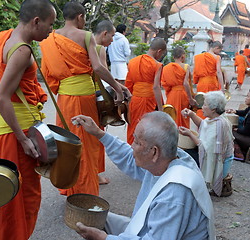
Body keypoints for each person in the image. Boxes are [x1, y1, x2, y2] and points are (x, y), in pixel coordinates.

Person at [72, 112, 215, 240]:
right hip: (155, 230)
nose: (132, 146)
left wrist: (104, 239)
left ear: (153, 152)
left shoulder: (174, 194)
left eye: (136, 141)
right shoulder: (168, 158)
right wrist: (98, 133)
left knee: (99, 227)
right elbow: (129, 157)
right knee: (96, 217)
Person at [0, 1, 56, 239]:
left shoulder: (2, 38)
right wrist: (23, 139)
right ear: (36, 21)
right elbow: (2, 98)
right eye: (50, 24)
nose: (50, 31)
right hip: (14, 132)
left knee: (2, 195)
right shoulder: (22, 50)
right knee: (21, 198)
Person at [40, 1, 126, 197]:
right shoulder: (85, 35)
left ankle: (69, 186)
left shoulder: (49, 39)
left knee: (66, 141)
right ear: (80, 17)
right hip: (84, 97)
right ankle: (84, 192)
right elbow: (97, 68)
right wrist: (117, 88)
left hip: (64, 98)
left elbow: (47, 72)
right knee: (85, 143)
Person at [179, 91, 234, 196]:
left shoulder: (219, 125)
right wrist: (191, 114)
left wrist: (190, 134)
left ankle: (193, 184)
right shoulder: (216, 118)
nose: (202, 107)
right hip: (212, 155)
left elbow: (206, 150)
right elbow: (203, 124)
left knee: (184, 155)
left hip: (219, 164)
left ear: (213, 109)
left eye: (205, 105)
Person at [125, 38, 166, 144]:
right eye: (162, 55)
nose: (160, 57)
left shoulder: (132, 62)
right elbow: (156, 87)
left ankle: (131, 152)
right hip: (148, 100)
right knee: (146, 129)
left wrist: (128, 101)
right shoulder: (157, 65)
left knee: (134, 126)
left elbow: (128, 84)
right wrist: (161, 108)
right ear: (159, 51)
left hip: (134, 100)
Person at [94, 20, 117, 185]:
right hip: (97, 95)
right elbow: (103, 72)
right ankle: (95, 174)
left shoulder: (80, 45)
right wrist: (118, 88)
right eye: (112, 36)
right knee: (96, 134)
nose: (112, 40)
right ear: (104, 33)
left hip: (81, 92)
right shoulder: (100, 49)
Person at [161, 46, 196, 128]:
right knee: (183, 116)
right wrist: (190, 98)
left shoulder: (166, 68)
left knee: (172, 116)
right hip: (183, 95)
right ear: (183, 56)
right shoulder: (185, 66)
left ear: (173, 57)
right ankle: (183, 137)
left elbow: (164, 84)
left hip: (172, 95)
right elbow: (186, 84)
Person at [193, 40, 224, 119]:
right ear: (216, 48)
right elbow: (219, 72)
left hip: (201, 83)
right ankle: (209, 121)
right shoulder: (217, 57)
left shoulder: (198, 57)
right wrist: (222, 88)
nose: (218, 53)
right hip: (212, 82)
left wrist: (196, 81)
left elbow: (195, 71)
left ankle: (199, 122)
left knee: (201, 103)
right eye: (219, 51)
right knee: (211, 103)